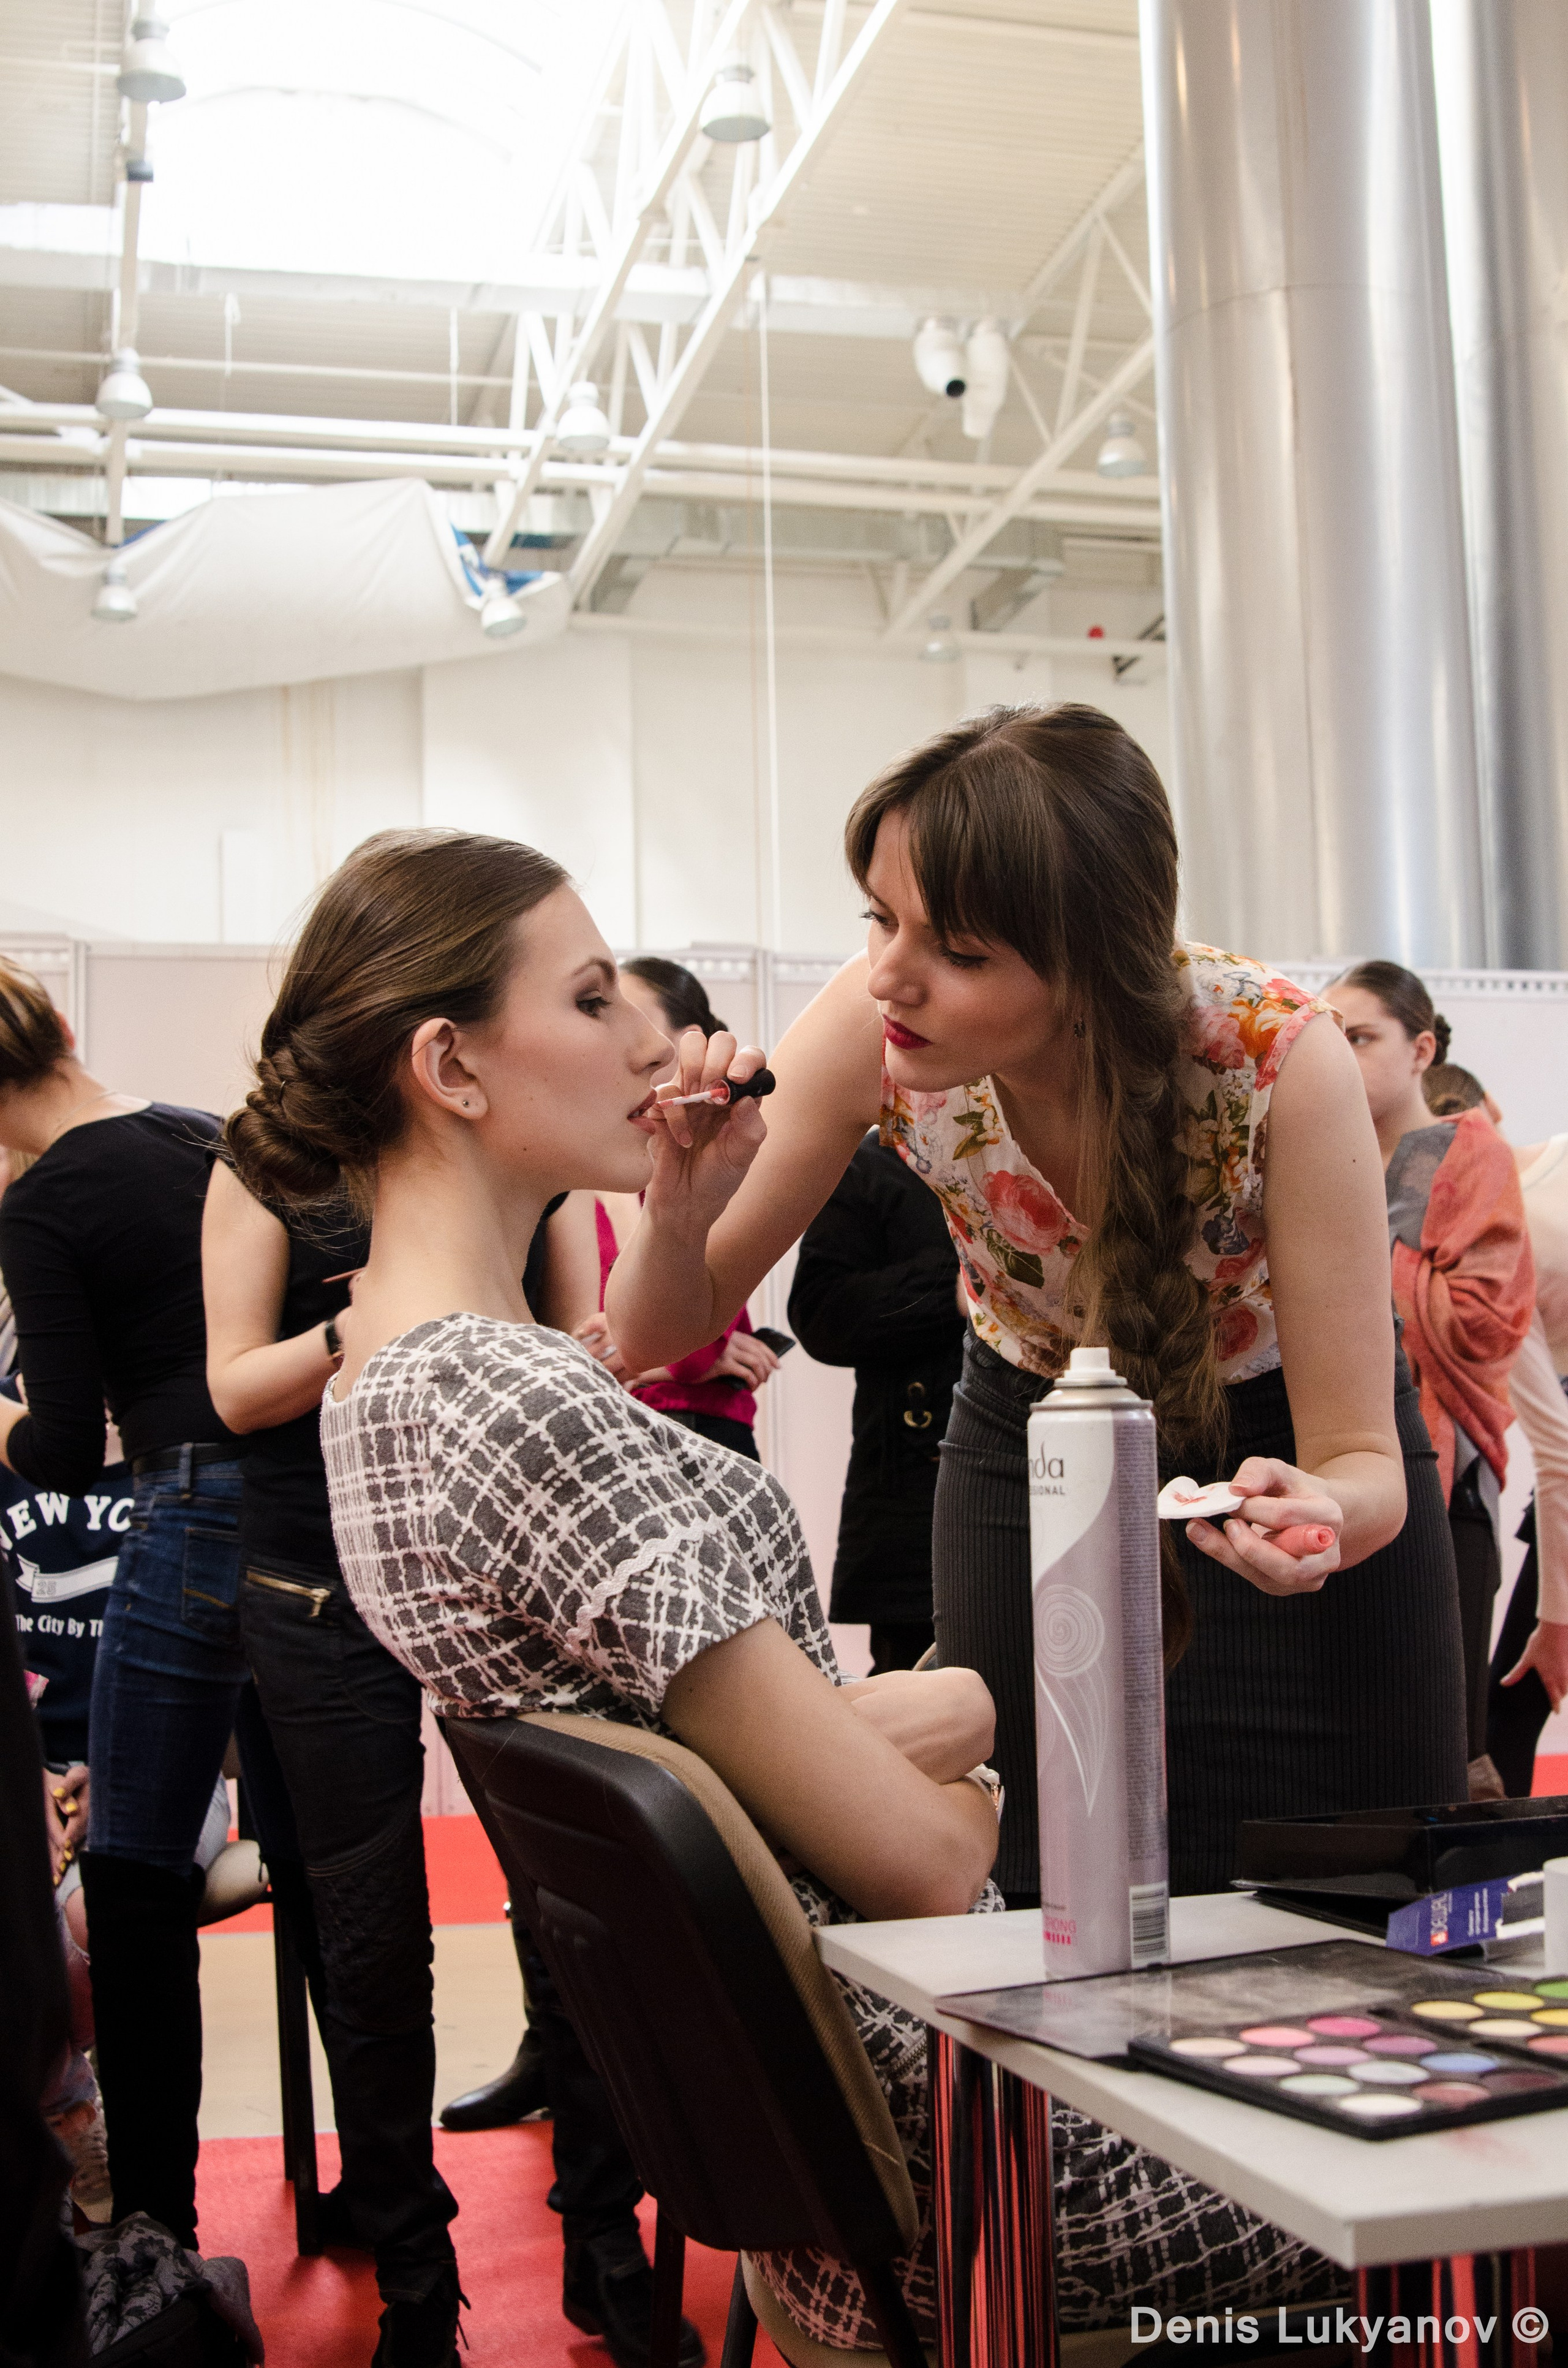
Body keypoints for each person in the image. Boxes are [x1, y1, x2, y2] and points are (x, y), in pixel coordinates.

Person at [221, 825, 1347, 2347]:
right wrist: (1006, 1766)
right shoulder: (523, 1411)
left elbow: (708, 1770)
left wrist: (938, 1708)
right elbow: (929, 1870)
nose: (657, 1038)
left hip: (838, 2152)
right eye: (594, 997)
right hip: (973, 2145)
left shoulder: (393, 1386)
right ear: (453, 1067)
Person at [606, 704, 1467, 1902]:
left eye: (957, 950)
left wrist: (1326, 1511)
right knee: (1030, 1882)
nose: (887, 975)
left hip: (1265, 1452)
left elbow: (1361, 1452)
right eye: (879, 916)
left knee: (1351, 1893)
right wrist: (680, 1204)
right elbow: (653, 1329)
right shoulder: (872, 1031)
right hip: (1026, 1431)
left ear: (1088, 970)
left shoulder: (1271, 1056)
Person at [0, 958, 247, 2253]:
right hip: (301, 1516)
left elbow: (54, 1445)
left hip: (188, 1517)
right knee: (345, 1893)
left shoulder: (44, 1202)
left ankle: (152, 2231)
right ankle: (398, 2240)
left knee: (131, 1886)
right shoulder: (204, 1133)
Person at [1333, 963, 1535, 1789]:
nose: (1341, 1058)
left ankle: (1461, 1921)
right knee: (1350, 1738)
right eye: (1329, 1038)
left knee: (1443, 1746)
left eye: (1361, 1037)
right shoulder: (1324, 1153)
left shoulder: (1463, 1151)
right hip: (1335, 1474)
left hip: (1444, 1481)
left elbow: (1489, 1323)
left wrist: (1364, 1275)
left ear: (1420, 1049)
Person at [1417, 1069, 1568, 1795]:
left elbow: (1559, 1452)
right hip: (1509, 1492)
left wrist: (1556, 1620)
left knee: (1502, 1719)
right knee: (1500, 1716)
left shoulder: (1501, 1233)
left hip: (1508, 1489)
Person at [584, 959, 780, 1462]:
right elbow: (579, 1348)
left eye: (639, 1018)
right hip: (607, 1433)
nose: (627, 1045)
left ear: (691, 1043)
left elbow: (691, 1345)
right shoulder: (589, 1166)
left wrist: (661, 1356)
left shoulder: (719, 1163)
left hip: (706, 1436)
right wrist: (678, 1359)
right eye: (598, 1012)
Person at [788, 1129, 965, 1672]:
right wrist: (953, 1287)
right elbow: (819, 1313)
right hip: (911, 1499)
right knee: (916, 1704)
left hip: (1059, 1471)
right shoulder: (876, 1160)